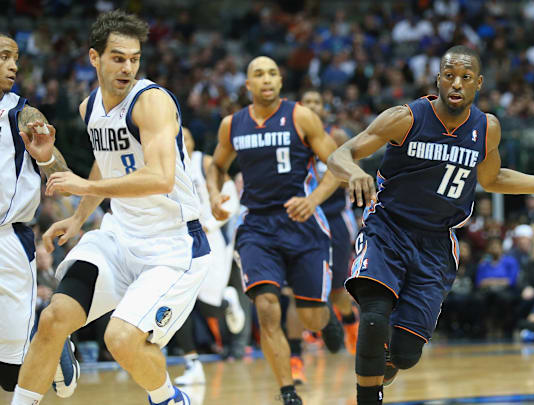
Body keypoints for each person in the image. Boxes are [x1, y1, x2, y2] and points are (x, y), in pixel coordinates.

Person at [327, 45, 534, 405]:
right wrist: (354, 172)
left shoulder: (487, 128)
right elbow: (341, 153)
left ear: (478, 83)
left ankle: (381, 364)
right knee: (373, 316)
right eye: (449, 75)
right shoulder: (407, 117)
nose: (456, 83)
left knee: (405, 354)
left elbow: (493, 179)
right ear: (438, 80)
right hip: (388, 229)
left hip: (435, 244)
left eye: (465, 77)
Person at [12, 11, 209, 405]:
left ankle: (169, 398)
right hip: (120, 236)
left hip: (172, 247)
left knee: (120, 339)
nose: (127, 67)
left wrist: (86, 185)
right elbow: (107, 159)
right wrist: (79, 216)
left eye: (134, 59)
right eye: (118, 58)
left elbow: (161, 178)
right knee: (52, 319)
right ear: (94, 58)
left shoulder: (151, 103)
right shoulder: (90, 108)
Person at [206, 56, 344, 404]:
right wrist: (213, 194)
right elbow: (217, 166)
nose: (265, 79)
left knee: (310, 316)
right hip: (257, 226)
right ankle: (287, 390)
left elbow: (337, 165)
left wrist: (313, 200)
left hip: (302, 222)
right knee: (266, 305)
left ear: (280, 81)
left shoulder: (300, 116)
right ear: (248, 85)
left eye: (271, 73)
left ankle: (326, 321)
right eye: (258, 74)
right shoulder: (232, 125)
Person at [0, 32, 78, 398]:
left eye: (15, 58)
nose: (13, 65)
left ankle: (56, 346)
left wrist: (46, 155)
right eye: (3, 57)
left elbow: (60, 174)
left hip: (9, 242)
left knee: (9, 374)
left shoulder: (24, 114)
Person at [282, 89, 360, 384]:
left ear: (324, 108)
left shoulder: (337, 136)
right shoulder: (288, 134)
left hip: (334, 219)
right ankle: (294, 360)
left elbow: (353, 174)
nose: (313, 106)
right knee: (293, 295)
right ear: (300, 106)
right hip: (301, 221)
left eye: (318, 102)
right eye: (308, 102)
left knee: (339, 293)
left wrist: (321, 182)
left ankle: (352, 330)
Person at [172, 127, 245, 386]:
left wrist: (211, 224)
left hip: (210, 237)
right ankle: (192, 363)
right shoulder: (163, 165)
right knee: (180, 302)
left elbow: (231, 198)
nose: (179, 141)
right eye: (174, 136)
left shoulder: (204, 163)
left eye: (185, 137)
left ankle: (227, 301)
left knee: (209, 305)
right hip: (177, 241)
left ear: (192, 142)